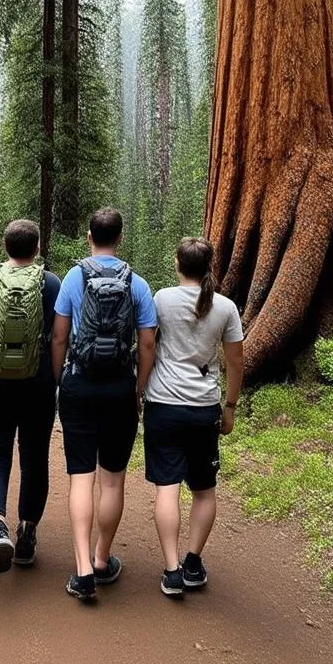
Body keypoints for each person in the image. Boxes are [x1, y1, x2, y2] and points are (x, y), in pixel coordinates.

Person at [51, 207, 157, 601]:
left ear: (88, 236)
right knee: (112, 478)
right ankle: (101, 558)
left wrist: (60, 378)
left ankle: (80, 571)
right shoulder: (138, 284)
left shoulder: (74, 278)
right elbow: (147, 342)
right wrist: (139, 387)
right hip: (119, 389)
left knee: (81, 477)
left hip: (79, 385)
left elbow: (59, 337)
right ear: (120, 237)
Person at [144, 237, 244, 597]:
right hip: (204, 409)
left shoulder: (161, 299)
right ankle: (192, 562)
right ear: (210, 267)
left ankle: (171, 570)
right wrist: (230, 407)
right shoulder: (226, 308)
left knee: (167, 489)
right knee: (203, 491)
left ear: (177, 263)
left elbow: (148, 344)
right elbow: (234, 361)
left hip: (163, 405)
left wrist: (139, 388)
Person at [0, 220, 62, 573]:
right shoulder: (52, 283)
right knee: (35, 459)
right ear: (37, 248)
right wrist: (53, 379)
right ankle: (26, 536)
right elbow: (58, 338)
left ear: (5, 248)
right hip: (36, 384)